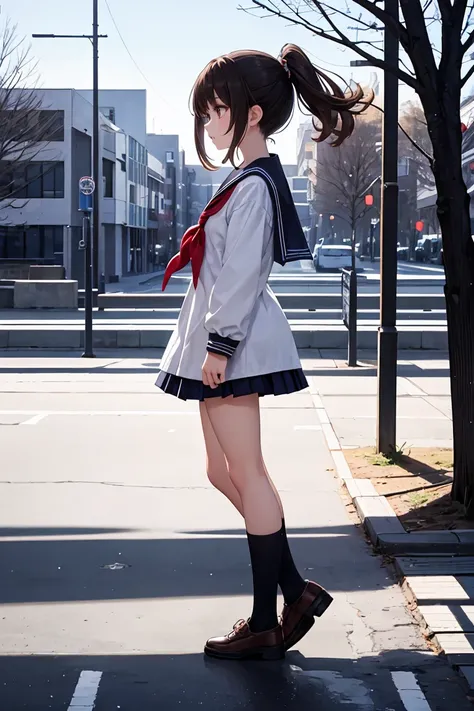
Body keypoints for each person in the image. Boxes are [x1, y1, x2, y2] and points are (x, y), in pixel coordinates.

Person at [156, 44, 372, 661]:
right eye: (205, 110)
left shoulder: (253, 185)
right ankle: (293, 591)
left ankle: (264, 620)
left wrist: (220, 348)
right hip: (221, 344)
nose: (209, 120)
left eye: (217, 107)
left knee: (246, 475)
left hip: (233, 347)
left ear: (251, 115)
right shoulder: (247, 179)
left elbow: (243, 273)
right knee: (223, 472)